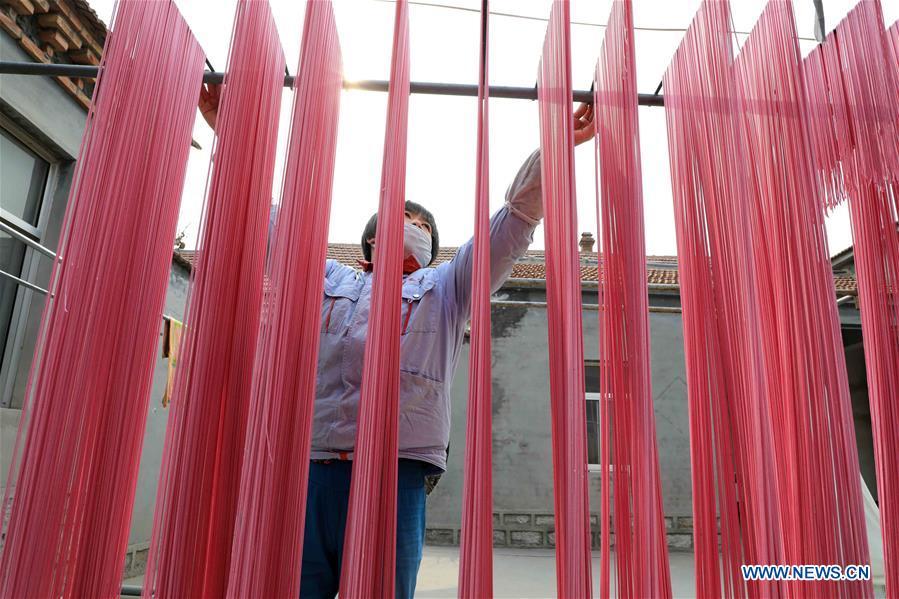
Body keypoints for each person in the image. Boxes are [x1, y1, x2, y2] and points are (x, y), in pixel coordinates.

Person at [198, 84, 595, 598]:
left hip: (395, 472)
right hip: (312, 468)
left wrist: (555, 151)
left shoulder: (449, 287)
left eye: (422, 224)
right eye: (401, 219)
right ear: (371, 236)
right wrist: (230, 135)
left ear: (432, 244)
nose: (412, 226)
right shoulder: (324, 281)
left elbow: (513, 222)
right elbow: (264, 219)